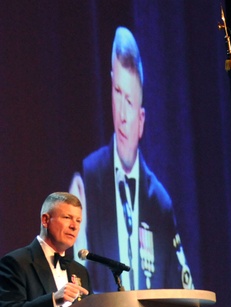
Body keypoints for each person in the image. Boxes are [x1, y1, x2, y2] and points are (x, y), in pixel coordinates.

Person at [69, 26, 194, 293]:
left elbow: (181, 292)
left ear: (142, 120)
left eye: (130, 100)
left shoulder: (160, 203)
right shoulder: (89, 178)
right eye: (117, 92)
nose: (123, 115)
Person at [0, 192, 91, 307]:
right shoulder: (16, 263)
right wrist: (53, 300)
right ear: (45, 220)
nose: (74, 226)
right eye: (67, 218)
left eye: (79, 221)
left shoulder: (80, 272)